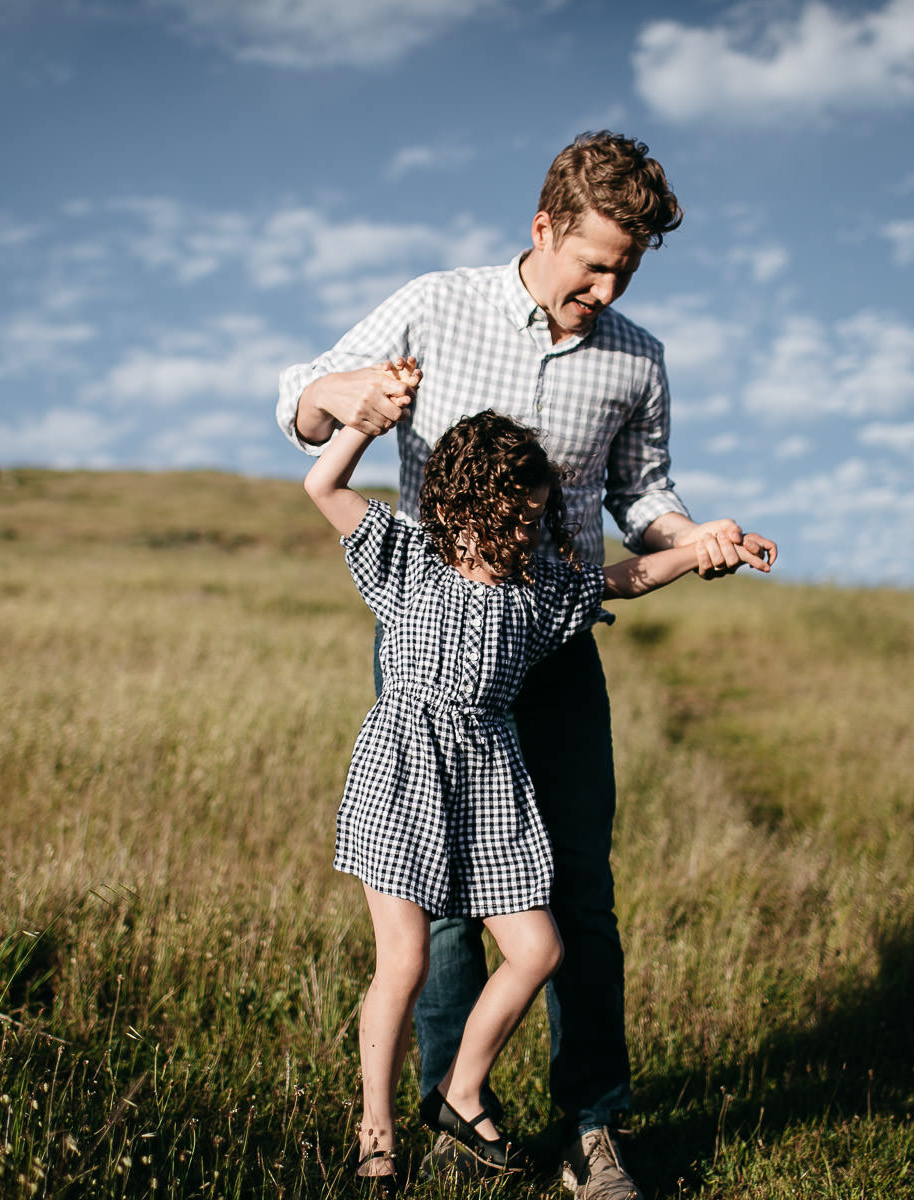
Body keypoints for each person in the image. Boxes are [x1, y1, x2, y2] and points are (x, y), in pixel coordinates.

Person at [277, 131, 776, 1198]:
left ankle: (595, 1127)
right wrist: (352, 396)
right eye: (592, 262)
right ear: (543, 227)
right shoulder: (436, 303)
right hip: (428, 649)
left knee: (575, 898)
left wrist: (696, 542)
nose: (605, 287)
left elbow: (642, 500)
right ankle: (453, 1101)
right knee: (438, 907)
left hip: (552, 640)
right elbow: (302, 401)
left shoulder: (636, 358)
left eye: (625, 271)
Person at [306, 394, 730, 1183]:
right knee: (403, 963)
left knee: (538, 949)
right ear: (465, 507)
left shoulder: (536, 596)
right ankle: (376, 1136)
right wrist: (362, 424)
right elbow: (322, 489)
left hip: (491, 789)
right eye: (520, 518)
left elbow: (625, 579)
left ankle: (460, 1094)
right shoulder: (405, 559)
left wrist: (702, 547)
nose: (533, 532)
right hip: (404, 775)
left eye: (537, 518)